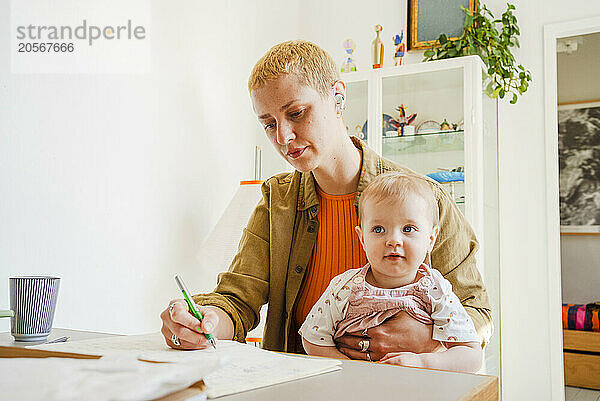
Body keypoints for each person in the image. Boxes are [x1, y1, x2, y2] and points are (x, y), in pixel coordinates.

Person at [160, 40, 492, 361]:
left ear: (337, 98)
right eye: (269, 124)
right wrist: (204, 321)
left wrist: (427, 337)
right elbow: (236, 299)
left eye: (296, 113)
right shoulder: (277, 200)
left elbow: (476, 313)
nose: (283, 137)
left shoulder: (424, 197)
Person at [299, 172, 482, 372]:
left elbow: (471, 356)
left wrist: (423, 362)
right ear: (362, 239)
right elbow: (313, 339)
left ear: (431, 238)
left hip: (417, 386)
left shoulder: (436, 290)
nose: (394, 240)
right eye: (378, 229)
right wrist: (350, 369)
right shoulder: (345, 288)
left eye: (408, 229)